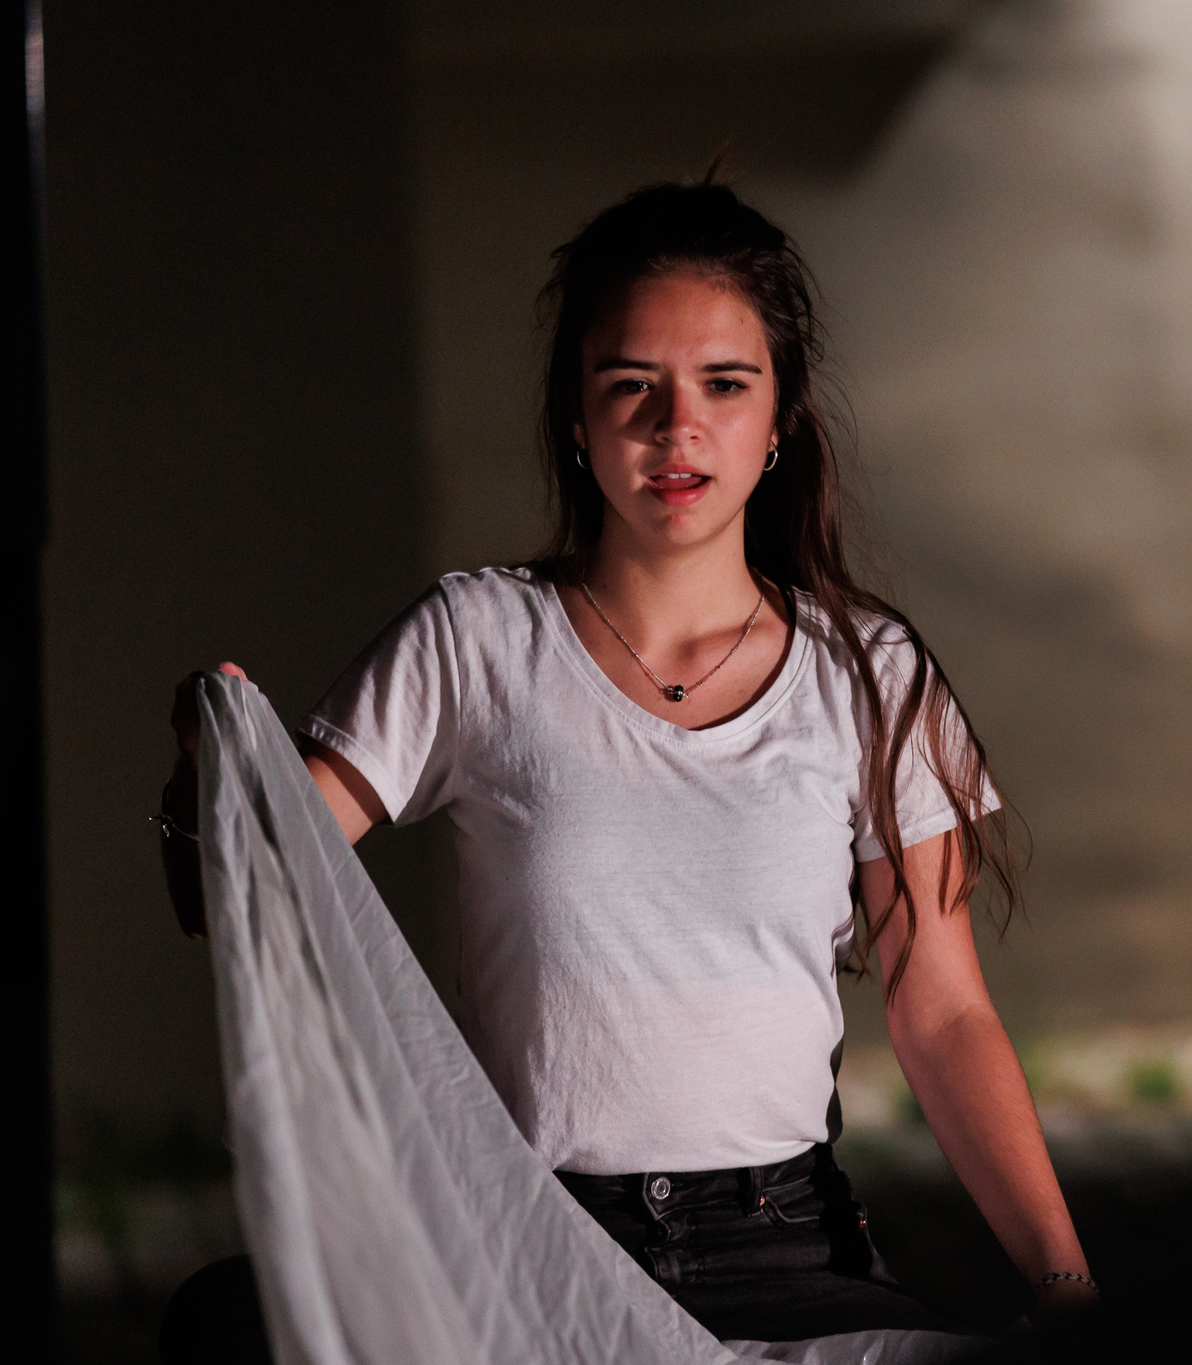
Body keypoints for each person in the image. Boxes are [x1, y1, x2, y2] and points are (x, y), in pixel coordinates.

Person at [158, 178, 1096, 1354]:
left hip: (783, 1252)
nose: (675, 426)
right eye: (630, 386)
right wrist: (210, 779)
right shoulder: (476, 641)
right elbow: (250, 881)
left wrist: (1065, 1283)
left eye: (724, 384)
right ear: (575, 417)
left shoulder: (870, 675)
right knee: (227, 1323)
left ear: (780, 418)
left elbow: (944, 1010)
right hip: (525, 1248)